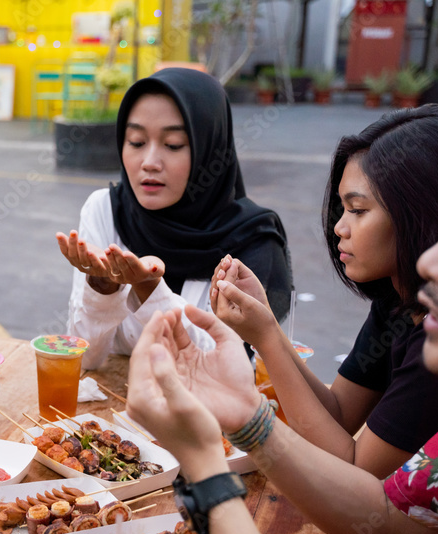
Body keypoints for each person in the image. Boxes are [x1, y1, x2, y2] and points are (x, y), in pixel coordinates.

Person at [125, 165, 438, 534]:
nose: (433, 260)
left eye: (358, 209)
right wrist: (249, 412)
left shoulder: (434, 346)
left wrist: (209, 476)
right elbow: (388, 523)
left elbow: (355, 467)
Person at [210, 106, 438, 534]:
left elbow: (353, 470)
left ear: (420, 215)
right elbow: (339, 411)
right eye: (341, 209)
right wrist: (267, 331)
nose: (338, 228)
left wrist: (264, 351)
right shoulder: (398, 303)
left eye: (358, 210)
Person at [56, 68, 293, 369]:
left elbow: (226, 369)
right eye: (136, 141)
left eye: (173, 145)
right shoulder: (105, 210)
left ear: (210, 149)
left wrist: (149, 290)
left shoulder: (252, 242)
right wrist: (103, 288)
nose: (149, 162)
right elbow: (84, 358)